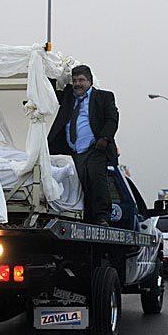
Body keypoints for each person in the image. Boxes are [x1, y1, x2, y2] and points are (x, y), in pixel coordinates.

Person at [48, 65, 119, 226]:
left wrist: (105, 138)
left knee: (96, 180)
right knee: (79, 183)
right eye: (74, 81)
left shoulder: (104, 97)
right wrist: (48, 68)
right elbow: (50, 92)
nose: (77, 84)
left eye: (81, 80)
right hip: (73, 151)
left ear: (90, 81)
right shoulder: (68, 96)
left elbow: (112, 118)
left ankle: (102, 217)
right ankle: (86, 216)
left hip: (95, 148)